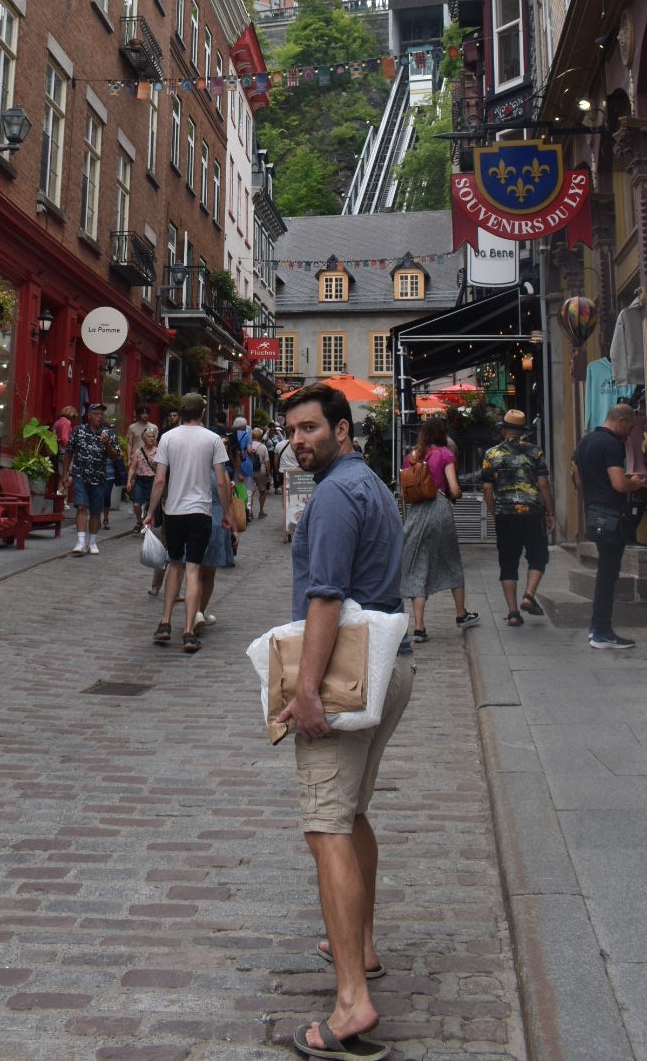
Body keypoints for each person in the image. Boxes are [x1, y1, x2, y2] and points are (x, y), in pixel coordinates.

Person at [278, 384, 412, 1061]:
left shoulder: (333, 495)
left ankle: (353, 1002)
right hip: (388, 665)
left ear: (342, 428)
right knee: (353, 814)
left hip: (345, 673)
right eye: (292, 431)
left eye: (310, 428)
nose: (298, 441)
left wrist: (305, 691)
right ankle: (361, 945)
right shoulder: (371, 484)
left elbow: (325, 597)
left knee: (326, 825)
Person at [144, 391, 232, 653]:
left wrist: (151, 511)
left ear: (181, 412)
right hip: (200, 511)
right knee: (193, 569)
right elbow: (221, 481)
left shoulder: (168, 438)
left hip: (174, 512)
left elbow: (160, 479)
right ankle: (189, 632)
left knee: (174, 565)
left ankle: (165, 622)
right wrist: (226, 513)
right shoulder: (213, 439)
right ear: (202, 412)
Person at [573, 403, 647, 650]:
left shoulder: (585, 442)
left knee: (605, 573)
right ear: (621, 421)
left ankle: (597, 628)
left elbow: (578, 479)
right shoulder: (612, 444)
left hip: (594, 514)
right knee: (608, 575)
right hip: (612, 517)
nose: (630, 434)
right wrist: (635, 483)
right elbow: (619, 484)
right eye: (630, 428)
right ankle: (601, 632)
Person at [399, 416, 479, 641]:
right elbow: (454, 488)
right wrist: (456, 493)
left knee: (418, 566)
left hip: (416, 513)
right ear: (443, 434)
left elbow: (405, 489)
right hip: (439, 510)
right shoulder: (445, 454)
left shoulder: (412, 457)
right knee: (451, 560)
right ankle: (461, 614)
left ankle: (419, 627)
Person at [481, 409, 556, 627]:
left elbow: (487, 488)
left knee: (508, 562)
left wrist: (494, 511)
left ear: (504, 430)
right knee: (538, 556)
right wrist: (549, 512)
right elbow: (543, 484)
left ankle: (513, 613)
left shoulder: (491, 455)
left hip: (505, 515)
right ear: (522, 431)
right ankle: (529, 595)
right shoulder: (535, 452)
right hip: (532, 512)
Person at [60, 402, 122, 556]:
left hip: (99, 477)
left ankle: (92, 542)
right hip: (80, 475)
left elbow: (115, 456)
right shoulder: (78, 431)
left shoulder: (108, 433)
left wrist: (107, 444)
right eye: (96, 414)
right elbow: (69, 452)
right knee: (81, 507)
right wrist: (65, 473)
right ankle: (80, 542)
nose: (99, 417)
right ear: (89, 416)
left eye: (101, 414)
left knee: (95, 510)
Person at [194, 464, 238, 633]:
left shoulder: (194, 467)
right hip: (216, 519)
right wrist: (234, 530)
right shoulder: (221, 472)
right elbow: (228, 501)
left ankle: (196, 612)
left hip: (195, 516)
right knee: (209, 573)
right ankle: (199, 611)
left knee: (196, 572)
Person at [127, 423, 159, 534]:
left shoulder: (158, 451)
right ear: (144, 439)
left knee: (151, 506)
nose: (152, 438)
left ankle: (149, 528)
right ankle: (140, 521)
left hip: (153, 480)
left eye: (153, 437)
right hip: (140, 480)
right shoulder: (138, 451)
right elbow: (132, 468)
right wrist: (129, 481)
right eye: (149, 437)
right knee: (136, 504)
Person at [251, 426, 271, 518]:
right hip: (261, 471)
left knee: (250, 492)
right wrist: (269, 474)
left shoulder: (249, 445)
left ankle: (250, 511)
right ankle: (261, 511)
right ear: (261, 436)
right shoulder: (263, 447)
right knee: (262, 491)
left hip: (250, 470)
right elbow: (267, 462)